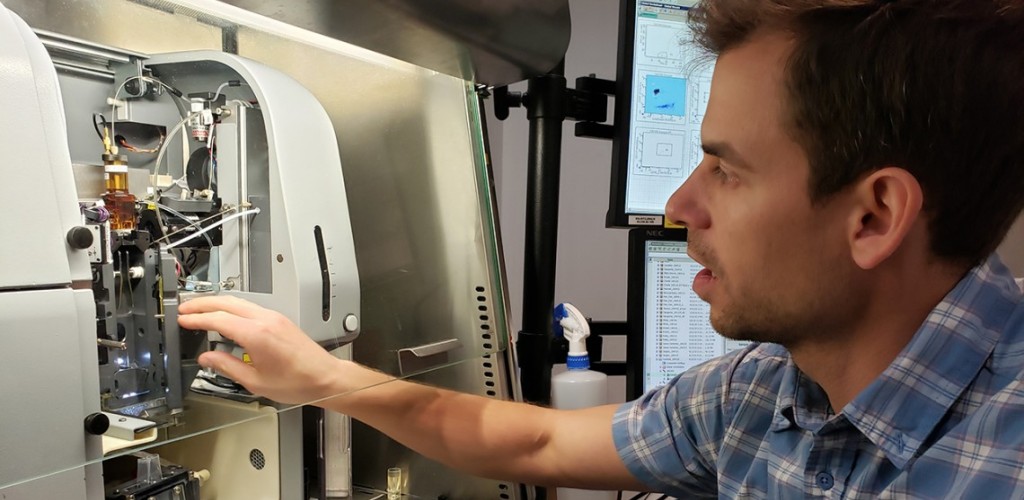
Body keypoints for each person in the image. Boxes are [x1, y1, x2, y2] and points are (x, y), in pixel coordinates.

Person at [178, 0, 1024, 497]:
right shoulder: (757, 394)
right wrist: (320, 377)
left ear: (874, 218)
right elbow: (536, 444)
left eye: (726, 171)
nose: (681, 203)